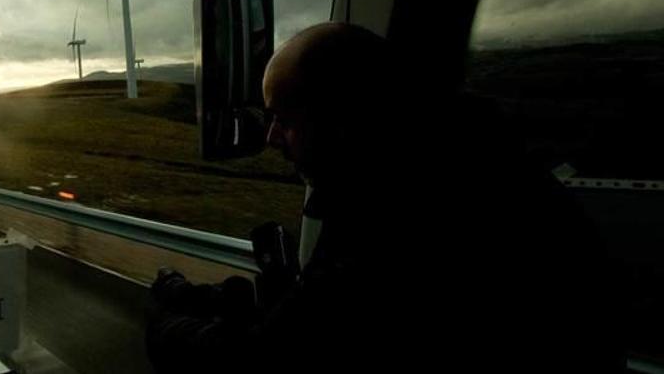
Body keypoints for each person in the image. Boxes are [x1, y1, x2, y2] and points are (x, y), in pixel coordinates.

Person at [145, 23, 622, 372]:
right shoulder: (482, 177)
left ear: (342, 120)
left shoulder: (401, 227)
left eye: (284, 120)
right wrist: (226, 303)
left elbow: (271, 359)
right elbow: (317, 325)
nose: (271, 137)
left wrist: (167, 326)